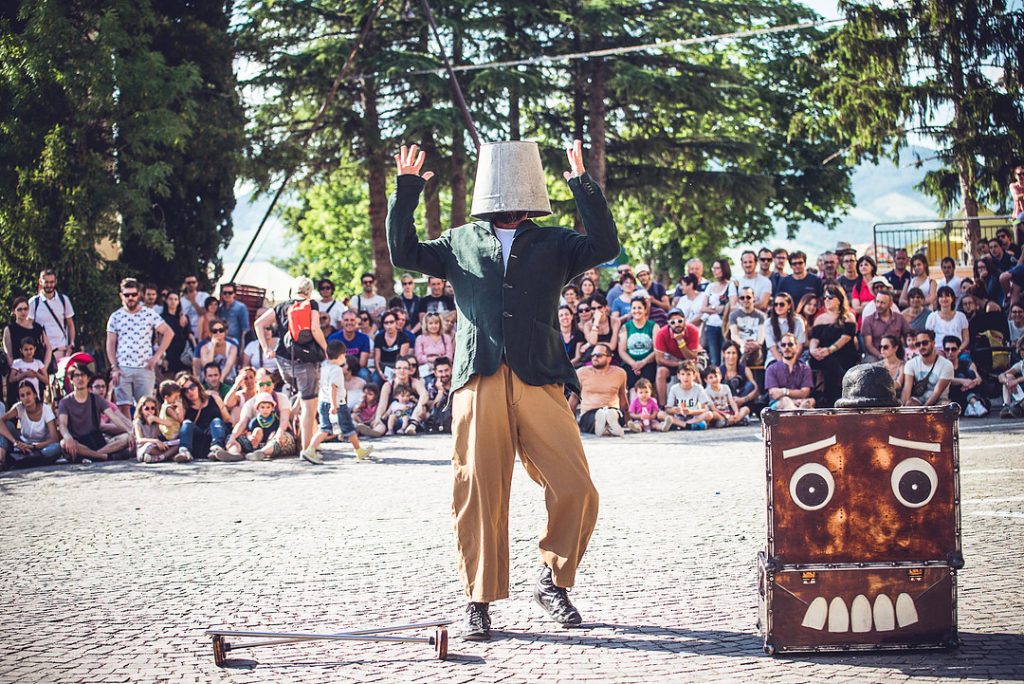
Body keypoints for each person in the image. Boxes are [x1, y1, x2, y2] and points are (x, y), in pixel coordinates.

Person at [389, 139, 617, 637]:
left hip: (541, 375)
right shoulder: (459, 241)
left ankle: (552, 580)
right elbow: (403, 252)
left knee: (578, 488)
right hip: (480, 376)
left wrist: (582, 185)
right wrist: (406, 190)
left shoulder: (556, 241)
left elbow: (606, 246)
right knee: (478, 491)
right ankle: (478, 598)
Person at [254, 275, 328, 454]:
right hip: (306, 361)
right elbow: (315, 329)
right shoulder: (312, 305)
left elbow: (258, 324)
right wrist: (326, 349)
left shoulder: (281, 306)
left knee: (301, 398)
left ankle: (296, 429)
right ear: (309, 291)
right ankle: (307, 450)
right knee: (310, 406)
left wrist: (266, 348)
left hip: (284, 361)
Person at [106, 278, 173, 416]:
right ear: (121, 296)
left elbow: (168, 332)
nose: (130, 298)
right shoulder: (115, 316)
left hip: (145, 368)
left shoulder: (149, 313)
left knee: (147, 407)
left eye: (133, 294)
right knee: (123, 407)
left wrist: (157, 356)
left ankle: (146, 436)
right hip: (123, 368)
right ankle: (130, 436)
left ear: (139, 295)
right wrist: (114, 367)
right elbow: (110, 344)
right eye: (127, 295)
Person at [302, 340, 374, 464]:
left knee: (324, 428)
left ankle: (311, 449)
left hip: (323, 402)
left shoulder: (324, 366)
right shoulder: (336, 370)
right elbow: (333, 387)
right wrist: (334, 405)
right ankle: (358, 450)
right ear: (341, 356)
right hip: (338, 404)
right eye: (344, 355)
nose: (344, 358)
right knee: (348, 428)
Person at [57, 364, 133, 462]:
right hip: (78, 442)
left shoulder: (96, 399)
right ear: (71, 380)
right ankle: (104, 457)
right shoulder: (65, 402)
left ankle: (93, 456)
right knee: (63, 443)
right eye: (76, 376)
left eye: (83, 375)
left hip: (96, 440)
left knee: (126, 438)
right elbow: (62, 424)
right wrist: (67, 436)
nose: (80, 378)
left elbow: (113, 417)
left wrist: (129, 431)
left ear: (88, 378)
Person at [808, 284, 858, 408]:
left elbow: (845, 338)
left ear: (839, 299)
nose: (826, 300)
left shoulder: (848, 317)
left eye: (830, 297)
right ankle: (835, 396)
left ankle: (833, 398)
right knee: (827, 362)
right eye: (825, 297)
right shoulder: (820, 319)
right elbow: (815, 339)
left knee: (833, 363)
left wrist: (829, 350)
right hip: (822, 355)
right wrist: (813, 350)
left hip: (842, 354)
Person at [227, 368, 295, 457]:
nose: (265, 387)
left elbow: (284, 421)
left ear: (273, 384)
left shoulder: (281, 398)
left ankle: (262, 453)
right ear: (256, 384)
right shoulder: (250, 403)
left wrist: (278, 435)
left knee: (284, 439)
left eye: (268, 384)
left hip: (276, 437)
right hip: (255, 440)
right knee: (231, 436)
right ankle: (233, 454)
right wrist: (233, 438)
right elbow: (243, 422)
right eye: (261, 384)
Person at [0, 381, 62, 468]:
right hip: (23, 446)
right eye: (22, 396)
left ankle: (26, 461)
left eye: (28, 394)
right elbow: (1, 421)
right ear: (19, 399)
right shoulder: (18, 408)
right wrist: (15, 443)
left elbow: (54, 438)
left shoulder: (46, 409)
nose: (26, 398)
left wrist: (33, 446)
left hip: (41, 447)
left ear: (35, 395)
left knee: (56, 448)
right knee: (7, 425)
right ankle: (2, 459)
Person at [576, 343, 629, 436]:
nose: (595, 358)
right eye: (593, 355)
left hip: (611, 408)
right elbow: (574, 398)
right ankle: (607, 426)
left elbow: (623, 398)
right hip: (589, 412)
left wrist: (628, 420)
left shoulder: (620, 373)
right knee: (596, 417)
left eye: (599, 355)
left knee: (613, 413)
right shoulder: (581, 372)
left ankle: (607, 425)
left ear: (609, 358)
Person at [653, 308, 701, 406]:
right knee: (660, 372)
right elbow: (659, 359)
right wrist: (678, 364)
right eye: (673, 322)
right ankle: (663, 406)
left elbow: (692, 356)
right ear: (668, 323)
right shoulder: (662, 333)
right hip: (672, 358)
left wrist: (680, 341)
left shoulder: (693, 330)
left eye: (680, 321)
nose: (677, 324)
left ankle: (700, 403)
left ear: (684, 320)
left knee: (695, 373)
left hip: (690, 357)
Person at [177, 374, 232, 460]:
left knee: (216, 421)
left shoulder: (214, 398)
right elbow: (181, 426)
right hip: (200, 440)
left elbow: (228, 419)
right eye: (185, 390)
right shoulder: (184, 406)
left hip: (217, 434)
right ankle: (184, 451)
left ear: (198, 386)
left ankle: (217, 449)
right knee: (186, 423)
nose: (190, 391)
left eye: (192, 387)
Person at [28, 269, 75, 363]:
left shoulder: (64, 300)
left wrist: (72, 343)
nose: (49, 285)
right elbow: (29, 326)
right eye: (46, 282)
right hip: (42, 351)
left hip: (61, 350)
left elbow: (70, 324)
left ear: (56, 282)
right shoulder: (33, 302)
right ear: (40, 282)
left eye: (52, 282)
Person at [901, 329, 954, 406]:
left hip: (939, 401)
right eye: (918, 344)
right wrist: (901, 410)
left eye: (925, 343)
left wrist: (924, 410)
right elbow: (907, 389)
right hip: (918, 399)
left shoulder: (946, 365)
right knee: (909, 403)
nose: (921, 347)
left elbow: (937, 392)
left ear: (933, 343)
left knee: (945, 406)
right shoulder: (910, 364)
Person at [764, 332, 815, 410]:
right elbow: (774, 393)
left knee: (810, 401)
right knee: (786, 401)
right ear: (780, 348)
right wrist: (793, 398)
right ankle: (797, 414)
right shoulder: (771, 369)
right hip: (777, 406)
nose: (787, 347)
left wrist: (784, 391)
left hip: (800, 402)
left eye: (790, 344)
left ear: (797, 347)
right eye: (783, 345)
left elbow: (805, 392)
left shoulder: (805, 369)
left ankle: (797, 414)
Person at [4, 296, 51, 380]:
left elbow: (48, 348)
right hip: (18, 374)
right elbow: (9, 354)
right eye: (19, 309)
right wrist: (17, 372)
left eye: (25, 309)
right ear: (14, 311)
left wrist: (44, 368)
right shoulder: (9, 329)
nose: (23, 312)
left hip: (37, 372)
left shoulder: (37, 327)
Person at [618, 297, 659, 388]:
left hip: (648, 362)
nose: (637, 311)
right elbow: (621, 351)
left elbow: (657, 349)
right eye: (634, 308)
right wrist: (634, 364)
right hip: (630, 363)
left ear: (645, 310)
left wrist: (643, 362)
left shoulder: (654, 326)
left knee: (647, 381)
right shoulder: (625, 327)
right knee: (631, 382)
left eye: (639, 308)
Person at [701, 258, 736, 366]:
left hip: (724, 326)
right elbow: (703, 308)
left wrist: (714, 309)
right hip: (711, 326)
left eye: (717, 268)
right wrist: (718, 308)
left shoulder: (730, 285)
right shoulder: (710, 286)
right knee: (714, 358)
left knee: (725, 356)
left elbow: (732, 306)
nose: (714, 271)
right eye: (714, 268)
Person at [227, 392, 280, 459]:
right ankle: (234, 453)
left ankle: (261, 453)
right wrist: (250, 437)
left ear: (272, 408)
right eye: (262, 407)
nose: (265, 410)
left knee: (276, 442)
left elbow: (275, 431)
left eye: (268, 407)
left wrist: (272, 438)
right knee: (256, 430)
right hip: (254, 443)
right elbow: (249, 432)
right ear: (258, 409)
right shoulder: (255, 421)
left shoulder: (275, 420)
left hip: (268, 443)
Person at [861, 288, 909, 362]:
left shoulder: (900, 318)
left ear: (890, 304)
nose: (879, 305)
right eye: (877, 302)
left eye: (882, 303)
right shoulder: (868, 320)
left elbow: (907, 336)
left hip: (896, 354)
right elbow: (868, 345)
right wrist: (881, 355)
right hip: (876, 355)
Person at [944, 337, 988, 417]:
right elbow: (945, 380)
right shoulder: (942, 365)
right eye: (947, 349)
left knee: (971, 374)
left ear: (958, 350)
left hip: (968, 391)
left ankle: (972, 405)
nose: (950, 352)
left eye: (953, 349)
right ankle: (974, 403)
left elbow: (978, 378)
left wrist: (971, 383)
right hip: (953, 395)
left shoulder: (966, 363)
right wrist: (962, 381)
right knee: (960, 379)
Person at [133, 395, 182, 463]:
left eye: (152, 408)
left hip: (156, 446)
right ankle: (167, 456)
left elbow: (169, 424)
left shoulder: (155, 421)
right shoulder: (138, 422)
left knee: (179, 443)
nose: (150, 411)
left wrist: (156, 419)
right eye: (147, 408)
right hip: (144, 448)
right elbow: (139, 440)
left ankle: (160, 457)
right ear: (141, 409)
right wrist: (155, 441)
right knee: (149, 446)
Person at [665, 362, 714, 430]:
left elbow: (704, 409)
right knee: (660, 414)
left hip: (693, 417)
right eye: (683, 374)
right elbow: (668, 409)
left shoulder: (698, 388)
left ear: (694, 376)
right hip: (679, 417)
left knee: (709, 414)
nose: (685, 377)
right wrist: (674, 410)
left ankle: (683, 425)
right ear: (678, 376)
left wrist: (691, 411)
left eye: (688, 374)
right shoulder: (674, 388)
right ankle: (686, 426)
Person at [926, 286, 970, 356]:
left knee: (970, 365)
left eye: (947, 296)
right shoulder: (932, 317)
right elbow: (928, 338)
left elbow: (966, 339)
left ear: (952, 298)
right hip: (938, 351)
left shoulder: (961, 316)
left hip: (958, 350)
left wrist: (958, 350)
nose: (944, 299)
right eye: (941, 297)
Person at [728, 286, 766, 367]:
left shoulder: (761, 316)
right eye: (742, 298)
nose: (745, 300)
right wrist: (743, 344)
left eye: (748, 297)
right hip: (740, 346)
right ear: (739, 300)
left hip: (755, 347)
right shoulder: (733, 315)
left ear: (753, 298)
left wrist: (755, 344)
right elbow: (734, 335)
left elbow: (761, 337)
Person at [765, 293, 805, 366]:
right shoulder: (768, 323)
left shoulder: (798, 322)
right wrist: (783, 363)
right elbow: (772, 347)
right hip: (775, 358)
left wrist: (792, 361)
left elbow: (800, 345)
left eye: (782, 304)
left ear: (789, 305)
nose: (778, 307)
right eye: (776, 304)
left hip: (795, 357)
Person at [160, 292, 194, 376]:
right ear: (166, 301)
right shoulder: (161, 318)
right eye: (170, 299)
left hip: (183, 354)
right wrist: (162, 358)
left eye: (175, 299)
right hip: (168, 354)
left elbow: (189, 335)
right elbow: (159, 339)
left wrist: (196, 351)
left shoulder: (184, 317)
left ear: (179, 301)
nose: (173, 301)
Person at [720, 340, 759, 412]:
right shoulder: (718, 371)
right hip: (725, 404)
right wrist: (730, 401)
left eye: (734, 353)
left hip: (743, 402)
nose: (731, 356)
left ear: (738, 355)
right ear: (723, 354)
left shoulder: (745, 369)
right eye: (728, 353)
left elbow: (755, 389)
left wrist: (743, 399)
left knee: (750, 385)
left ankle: (739, 415)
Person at [374, 310, 411, 380]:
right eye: (386, 323)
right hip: (382, 367)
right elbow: (376, 360)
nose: (389, 325)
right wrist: (380, 373)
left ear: (396, 323)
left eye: (391, 322)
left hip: (397, 368)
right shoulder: (379, 337)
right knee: (375, 379)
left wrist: (395, 373)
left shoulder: (404, 337)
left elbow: (401, 360)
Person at [157, 380, 188, 460]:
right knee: (183, 442)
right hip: (172, 435)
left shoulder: (164, 406)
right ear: (166, 397)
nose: (177, 399)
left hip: (170, 434)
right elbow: (180, 419)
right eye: (175, 397)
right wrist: (180, 407)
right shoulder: (169, 408)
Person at [421, 356, 454, 433]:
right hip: (438, 421)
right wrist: (440, 392)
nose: (444, 374)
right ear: (435, 373)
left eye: (446, 370)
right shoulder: (432, 385)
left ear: (451, 370)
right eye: (440, 371)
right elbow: (432, 409)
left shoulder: (456, 383)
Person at [997, 337, 1024, 418]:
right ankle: (1006, 406)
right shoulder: (1021, 364)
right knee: (1009, 376)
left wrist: (1015, 381)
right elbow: (1001, 375)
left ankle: (1019, 407)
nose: (1023, 352)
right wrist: (1007, 381)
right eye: (1022, 349)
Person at [179, 274, 210, 339]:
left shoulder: (204, 296)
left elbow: (205, 313)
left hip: (202, 331)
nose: (191, 284)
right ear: (185, 284)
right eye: (188, 283)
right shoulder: (181, 300)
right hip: (187, 334)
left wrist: (193, 301)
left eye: (193, 282)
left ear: (197, 283)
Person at [849, 255, 877, 319]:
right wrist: (874, 304)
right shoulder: (857, 286)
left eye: (866, 264)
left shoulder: (879, 282)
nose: (863, 267)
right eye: (861, 265)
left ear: (872, 267)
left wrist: (865, 304)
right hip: (863, 321)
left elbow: (884, 303)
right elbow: (856, 309)